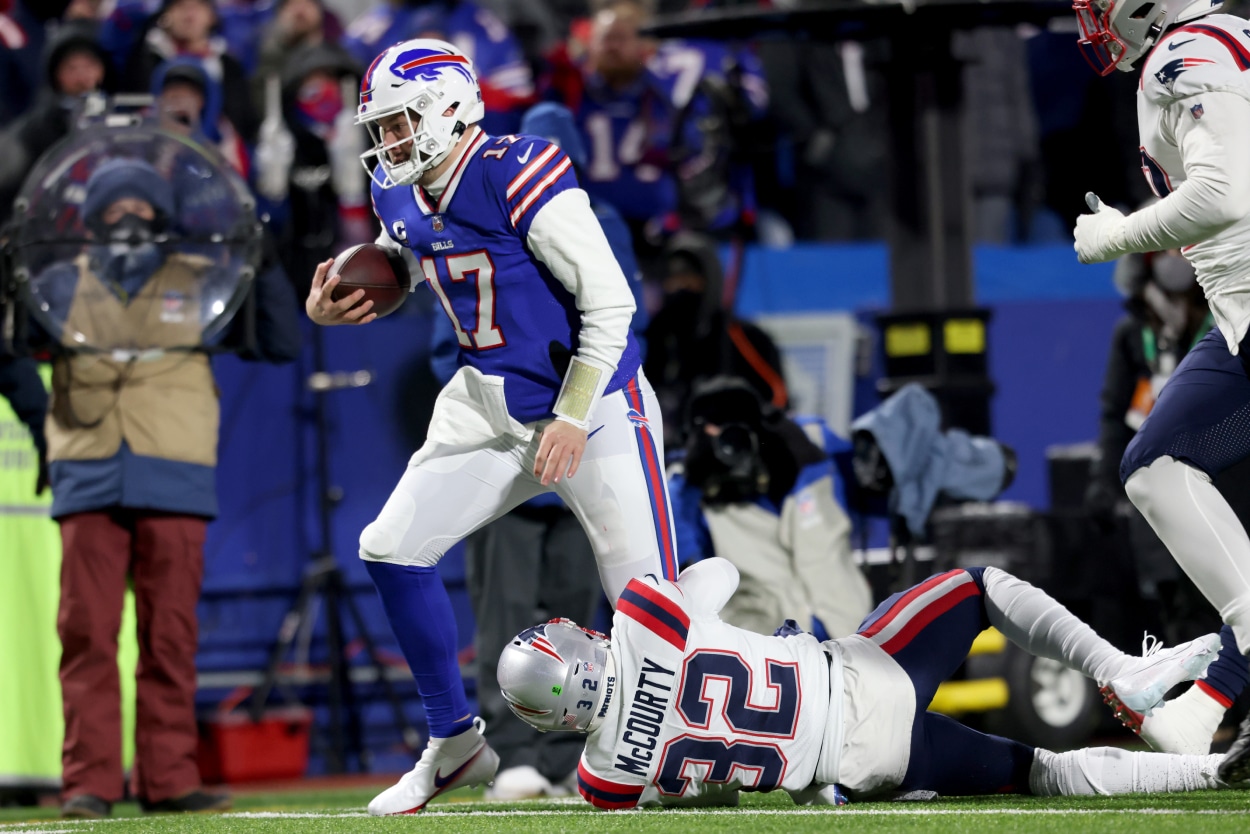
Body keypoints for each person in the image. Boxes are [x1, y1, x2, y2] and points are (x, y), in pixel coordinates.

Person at [303, 39, 678, 816]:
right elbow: (413, 258)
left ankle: (691, 746)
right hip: (487, 397)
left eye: (400, 122)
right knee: (390, 546)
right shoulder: (398, 194)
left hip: (596, 400)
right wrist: (346, 292)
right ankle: (455, 743)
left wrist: (573, 416)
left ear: (448, 106)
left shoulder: (519, 168)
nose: (389, 142)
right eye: (382, 128)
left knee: (651, 607)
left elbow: (611, 306)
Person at [498, 557, 1237, 808]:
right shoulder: (640, 617)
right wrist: (685, 593)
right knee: (977, 586)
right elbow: (719, 576)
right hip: (856, 675)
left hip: (856, 770)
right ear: (578, 648)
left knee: (1038, 775)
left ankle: (1209, 772)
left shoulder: (603, 778)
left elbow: (688, 788)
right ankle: (1122, 672)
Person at [36, 157, 300, 819]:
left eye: (143, 206)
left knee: (170, 636)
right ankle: (89, 783)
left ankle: (169, 778)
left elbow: (280, 344)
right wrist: (42, 434)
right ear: (92, 219)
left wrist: (263, 263)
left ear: (164, 215)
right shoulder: (57, 282)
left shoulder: (207, 279)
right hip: (88, 468)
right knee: (87, 634)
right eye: (115, 208)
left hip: (174, 471)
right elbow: (11, 352)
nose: (130, 218)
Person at [1069, 0, 1250, 781]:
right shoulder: (1220, 43)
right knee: (1159, 465)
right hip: (1236, 316)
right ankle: (1219, 694)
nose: (1095, 16)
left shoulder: (1186, 54)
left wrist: (1117, 235)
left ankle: (1220, 689)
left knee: (1159, 467)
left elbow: (1221, 196)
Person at [669, 376, 872, 638]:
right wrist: (697, 469)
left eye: (738, 420)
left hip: (854, 635)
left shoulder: (808, 441)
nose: (731, 439)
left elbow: (877, 487)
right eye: (715, 425)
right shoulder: (685, 492)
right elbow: (675, 589)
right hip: (772, 658)